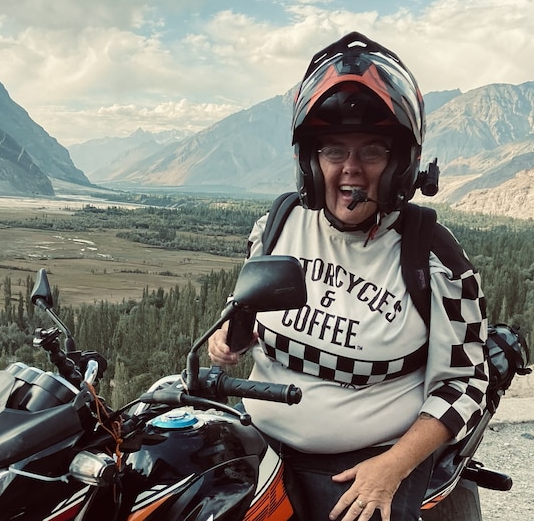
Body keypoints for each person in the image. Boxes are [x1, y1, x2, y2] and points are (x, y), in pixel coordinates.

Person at [208, 32, 489, 521]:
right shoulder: (277, 225)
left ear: (402, 165)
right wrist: (228, 337)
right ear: (311, 163)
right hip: (256, 440)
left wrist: (392, 467)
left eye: (373, 152)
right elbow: (248, 310)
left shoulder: (435, 258)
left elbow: (465, 384)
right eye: (334, 151)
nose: (351, 170)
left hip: (365, 464)